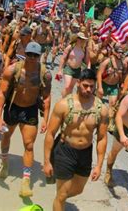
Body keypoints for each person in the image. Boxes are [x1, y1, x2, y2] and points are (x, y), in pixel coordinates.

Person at [43, 69, 108, 211]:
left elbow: (102, 138)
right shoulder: (64, 105)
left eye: (92, 86)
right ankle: (60, 199)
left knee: (78, 189)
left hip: (85, 153)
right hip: (65, 150)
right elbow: (50, 133)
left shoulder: (101, 109)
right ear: (78, 83)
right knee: (62, 195)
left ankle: (60, 196)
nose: (88, 89)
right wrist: (47, 161)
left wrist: (98, 165)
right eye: (85, 85)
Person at [0, 42, 52, 197]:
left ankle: (26, 181)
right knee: (6, 136)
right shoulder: (13, 70)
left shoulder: (44, 74)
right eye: (30, 54)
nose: (32, 58)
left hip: (30, 110)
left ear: (40, 56)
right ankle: (5, 162)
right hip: (12, 108)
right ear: (25, 54)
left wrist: (45, 119)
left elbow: (46, 98)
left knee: (29, 145)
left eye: (36, 55)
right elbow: (2, 93)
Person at [96, 43, 124, 131]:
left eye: (122, 52)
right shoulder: (108, 61)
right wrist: (100, 87)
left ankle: (110, 123)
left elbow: (122, 75)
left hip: (113, 87)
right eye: (119, 52)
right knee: (98, 102)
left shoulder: (121, 63)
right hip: (104, 84)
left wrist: (121, 84)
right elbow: (99, 74)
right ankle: (95, 117)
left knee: (112, 104)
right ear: (114, 52)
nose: (120, 54)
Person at [57, 32, 89, 97]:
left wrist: (88, 69)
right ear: (76, 38)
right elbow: (63, 58)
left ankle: (67, 100)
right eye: (79, 38)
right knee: (67, 86)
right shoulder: (70, 47)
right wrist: (59, 70)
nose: (81, 40)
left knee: (71, 88)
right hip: (69, 68)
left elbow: (87, 61)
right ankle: (62, 100)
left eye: (82, 39)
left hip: (77, 70)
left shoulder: (84, 49)